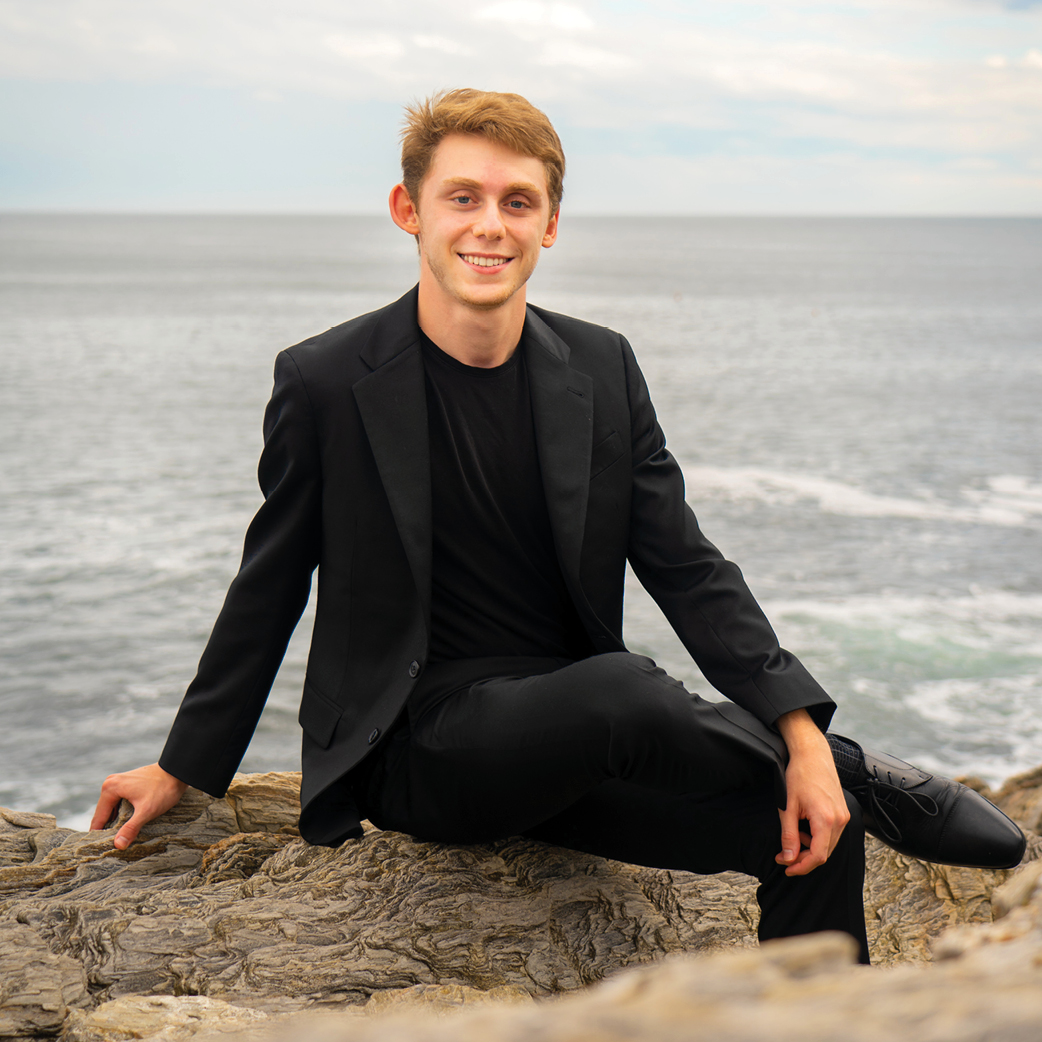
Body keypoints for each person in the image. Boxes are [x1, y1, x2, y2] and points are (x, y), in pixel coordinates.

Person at [91, 89, 1024, 966]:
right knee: (624, 689)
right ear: (409, 210)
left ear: (549, 224)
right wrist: (184, 766)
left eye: (517, 201)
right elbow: (270, 582)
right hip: (420, 752)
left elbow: (687, 565)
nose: (489, 224)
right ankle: (860, 771)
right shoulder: (325, 380)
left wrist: (798, 735)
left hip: (577, 749)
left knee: (810, 830)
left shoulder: (600, 366)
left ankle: (823, 969)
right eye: (463, 197)